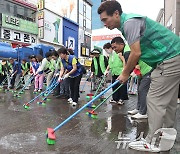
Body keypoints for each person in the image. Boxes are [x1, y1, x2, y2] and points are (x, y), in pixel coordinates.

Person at [98, 1, 180, 152]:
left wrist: (124, 73)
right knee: (168, 103)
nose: (104, 23)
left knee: (155, 100)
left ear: (116, 14)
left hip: (170, 58)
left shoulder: (129, 23)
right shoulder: (129, 23)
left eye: (105, 19)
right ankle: (165, 139)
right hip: (173, 57)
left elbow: (136, 53)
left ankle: (153, 142)